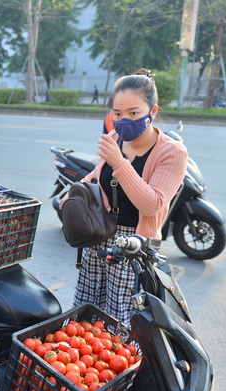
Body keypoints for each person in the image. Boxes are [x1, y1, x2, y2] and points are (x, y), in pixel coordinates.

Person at [62, 71, 188, 325]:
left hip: (134, 246)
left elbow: (152, 204)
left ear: (152, 110)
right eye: (117, 114)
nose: (123, 120)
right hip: (98, 234)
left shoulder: (172, 152)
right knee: (87, 311)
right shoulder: (114, 139)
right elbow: (97, 176)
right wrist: (73, 192)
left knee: (122, 320)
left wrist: (119, 162)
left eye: (133, 113)